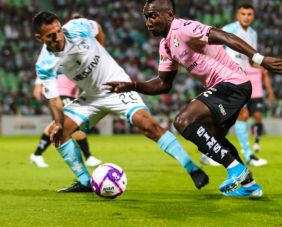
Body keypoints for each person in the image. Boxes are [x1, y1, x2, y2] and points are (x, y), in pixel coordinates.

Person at [104, 0, 282, 196]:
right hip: (225, 88)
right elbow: (163, 84)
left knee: (183, 121)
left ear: (170, 14)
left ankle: (236, 170)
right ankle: (249, 186)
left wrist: (260, 59)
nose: (148, 22)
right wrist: (132, 85)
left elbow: (226, 37)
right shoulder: (165, 45)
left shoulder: (183, 28)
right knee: (213, 140)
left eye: (153, 16)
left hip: (232, 83)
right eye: (146, 17)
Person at [33, 11, 208, 193]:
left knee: (148, 125)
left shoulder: (78, 28)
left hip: (116, 85)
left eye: (59, 31)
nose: (58, 37)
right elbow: (54, 100)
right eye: (51, 36)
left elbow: (97, 28)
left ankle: (192, 168)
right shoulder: (44, 64)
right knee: (59, 133)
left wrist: (101, 48)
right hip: (91, 96)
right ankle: (85, 182)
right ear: (39, 38)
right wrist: (59, 123)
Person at [199, 4, 271, 167]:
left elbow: (249, 59)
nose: (246, 16)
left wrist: (259, 66)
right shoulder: (229, 29)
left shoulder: (253, 34)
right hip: (225, 77)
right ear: (237, 15)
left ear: (253, 17)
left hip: (239, 79)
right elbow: (212, 50)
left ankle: (207, 153)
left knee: (230, 118)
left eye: (249, 14)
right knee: (240, 115)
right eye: (243, 13)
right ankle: (248, 156)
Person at [30, 74, 102, 168]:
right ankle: (88, 157)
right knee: (77, 121)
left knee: (56, 125)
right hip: (60, 94)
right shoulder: (59, 60)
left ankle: (37, 154)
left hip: (70, 96)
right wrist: (38, 84)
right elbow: (44, 66)